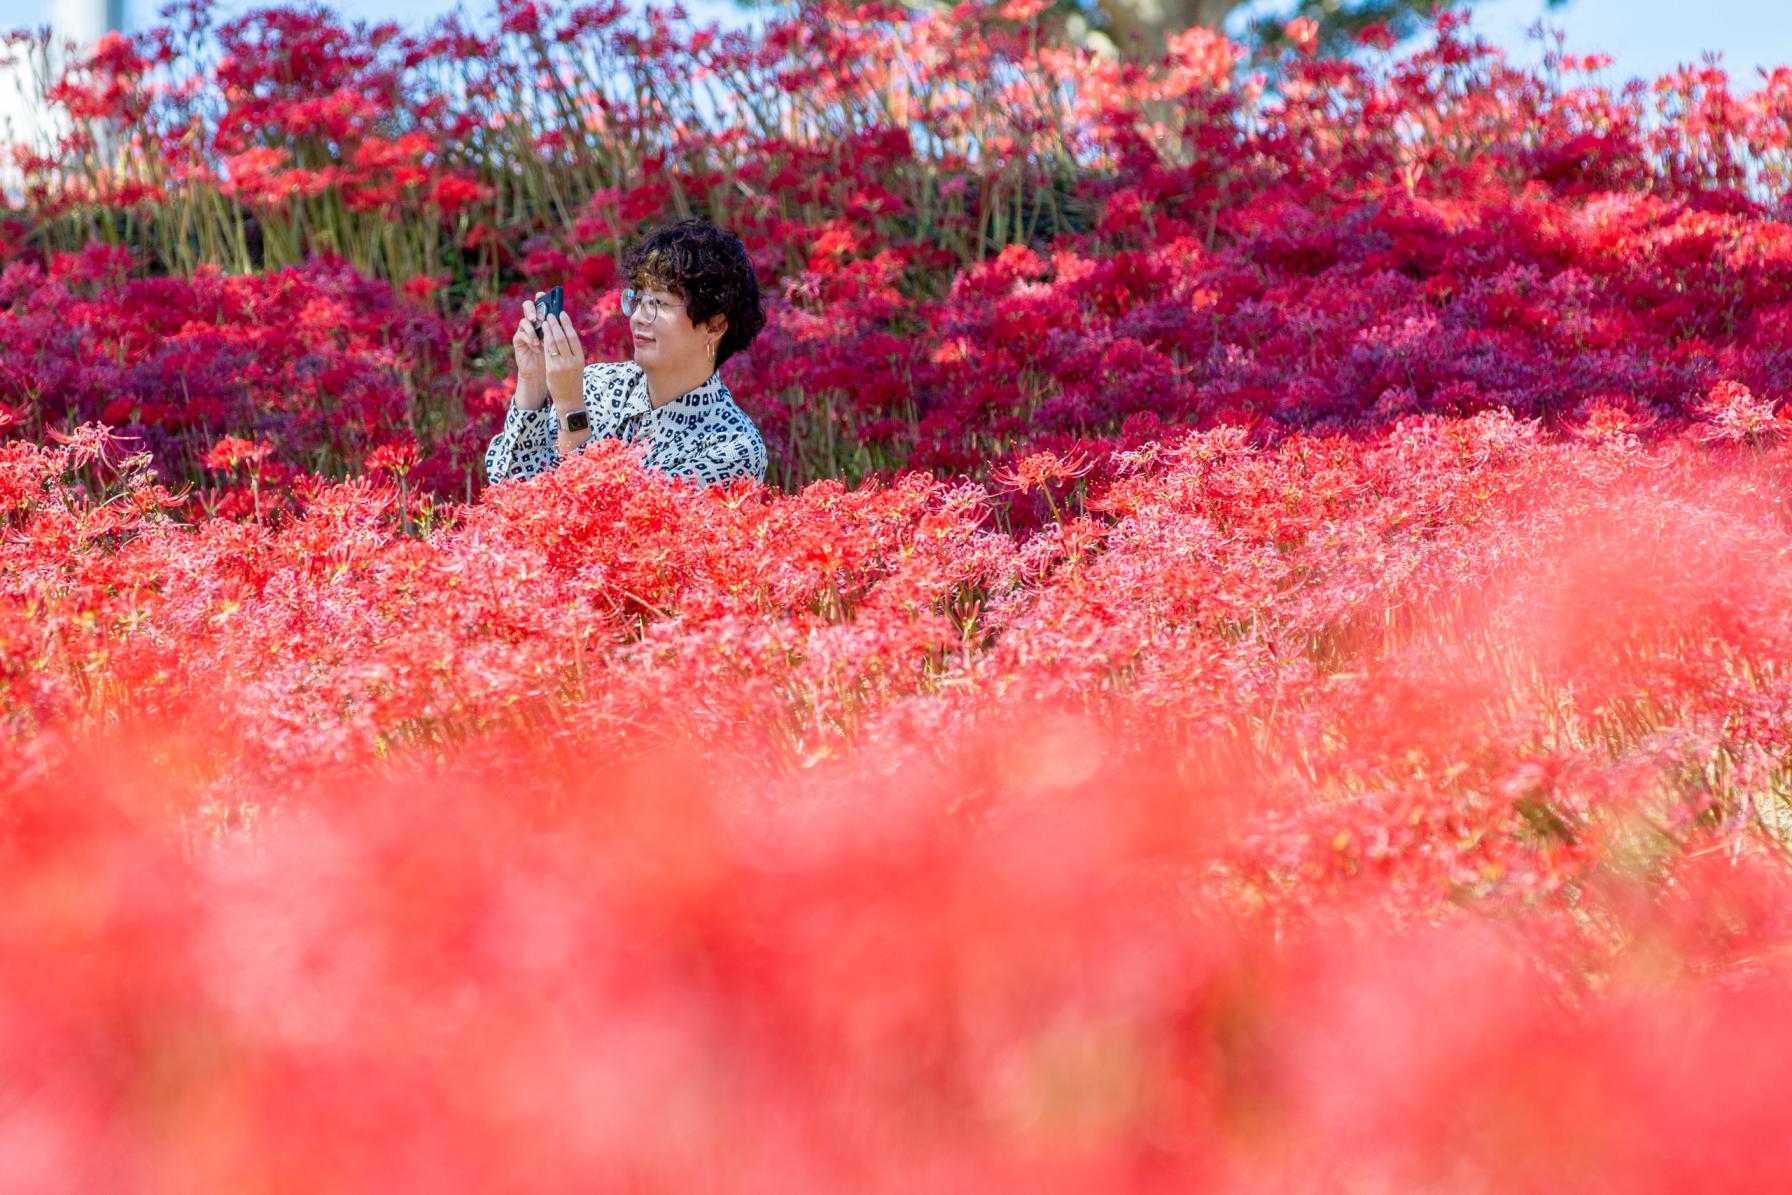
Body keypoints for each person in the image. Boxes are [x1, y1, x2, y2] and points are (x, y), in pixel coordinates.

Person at [484, 216, 769, 488]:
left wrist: (571, 411)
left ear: (715, 325)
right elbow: (510, 491)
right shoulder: (598, 386)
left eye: (658, 303)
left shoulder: (732, 446)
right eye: (638, 299)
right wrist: (532, 381)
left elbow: (612, 527)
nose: (638, 318)